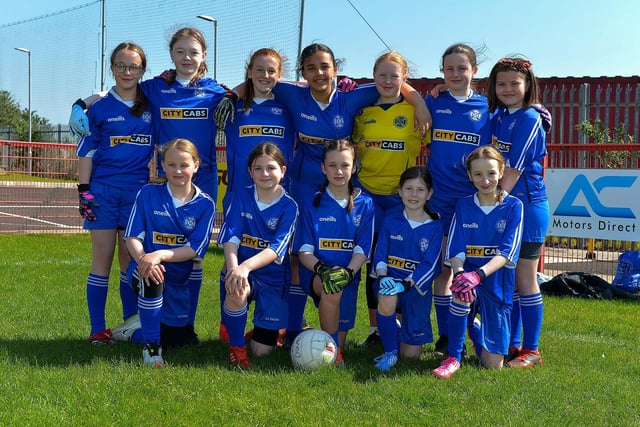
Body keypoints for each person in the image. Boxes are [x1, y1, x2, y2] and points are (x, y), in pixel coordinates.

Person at [215, 44, 430, 347]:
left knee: (342, 250)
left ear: (335, 70)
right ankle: (289, 329)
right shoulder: (291, 94)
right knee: (294, 256)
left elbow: (392, 81)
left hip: (341, 184)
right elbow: (260, 78)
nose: (319, 73)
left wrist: (418, 101)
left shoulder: (352, 98)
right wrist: (231, 95)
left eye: (324, 67)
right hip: (303, 186)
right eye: (312, 67)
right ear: (303, 72)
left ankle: (347, 330)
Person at [70, 27, 228, 343]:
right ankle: (120, 327)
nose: (187, 58)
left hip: (202, 183)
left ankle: (186, 326)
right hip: (158, 185)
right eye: (180, 51)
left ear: (204, 56)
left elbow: (252, 89)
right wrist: (79, 104)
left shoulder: (217, 91)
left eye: (193, 52)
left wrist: (235, 95)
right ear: (171, 55)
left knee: (193, 257)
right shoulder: (154, 90)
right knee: (132, 257)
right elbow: (112, 94)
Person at [76, 42, 154, 345]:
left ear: (142, 70)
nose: (127, 71)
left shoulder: (151, 104)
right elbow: (87, 151)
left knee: (130, 261)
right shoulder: (100, 107)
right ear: (112, 69)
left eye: (133, 66)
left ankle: (129, 325)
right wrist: (84, 192)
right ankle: (98, 329)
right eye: (120, 65)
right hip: (104, 191)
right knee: (102, 259)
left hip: (137, 194)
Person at [216, 48, 295, 346]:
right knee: (234, 257)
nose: (265, 76)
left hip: (277, 198)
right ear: (249, 71)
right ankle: (230, 323)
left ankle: (277, 323)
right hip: (241, 196)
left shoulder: (289, 106)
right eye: (259, 70)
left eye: (271, 71)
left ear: (280, 75)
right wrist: (230, 95)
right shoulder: (233, 105)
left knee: (279, 261)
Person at [424, 43, 493, 357]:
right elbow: (405, 95)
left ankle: (475, 331)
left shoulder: (487, 108)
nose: (455, 74)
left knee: (471, 269)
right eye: (448, 69)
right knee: (442, 270)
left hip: (471, 201)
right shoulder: (433, 102)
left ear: (474, 71)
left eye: (461, 68)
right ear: (442, 72)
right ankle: (445, 337)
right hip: (438, 199)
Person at [351, 51, 423, 348]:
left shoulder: (417, 111)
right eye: (382, 74)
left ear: (404, 79)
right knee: (373, 265)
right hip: (368, 196)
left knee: (402, 262)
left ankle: (404, 327)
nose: (388, 81)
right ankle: (377, 329)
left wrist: (419, 100)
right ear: (373, 76)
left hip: (401, 199)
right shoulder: (363, 113)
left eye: (395, 75)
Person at [432, 145, 523, 379]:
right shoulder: (463, 205)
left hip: (497, 282)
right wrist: (461, 273)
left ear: (501, 172)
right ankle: (453, 356)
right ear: (470, 176)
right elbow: (455, 246)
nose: (485, 180)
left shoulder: (514, 206)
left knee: (493, 365)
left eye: (491, 173)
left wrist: (478, 275)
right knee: (460, 292)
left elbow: (507, 252)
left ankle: (475, 329)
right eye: (478, 174)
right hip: (468, 276)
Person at [124, 138, 216, 368]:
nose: (178, 170)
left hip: (178, 278)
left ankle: (131, 330)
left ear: (196, 166)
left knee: (176, 341)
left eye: (184, 165)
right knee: (151, 278)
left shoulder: (205, 204)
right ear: (162, 166)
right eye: (172, 165)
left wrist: (160, 255)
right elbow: (132, 237)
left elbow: (195, 249)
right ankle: (151, 350)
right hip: (143, 268)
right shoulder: (148, 193)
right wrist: (145, 259)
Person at [486, 57, 549, 368]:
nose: (508, 89)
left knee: (525, 278)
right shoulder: (498, 118)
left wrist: (494, 203)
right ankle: (511, 344)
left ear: (528, 86)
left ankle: (532, 350)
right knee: (508, 278)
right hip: (506, 205)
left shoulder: (529, 119)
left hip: (527, 207)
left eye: (515, 83)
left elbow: (512, 169)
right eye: (501, 83)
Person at [292, 139, 375, 366]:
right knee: (332, 287)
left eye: (345, 165)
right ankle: (333, 353)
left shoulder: (366, 204)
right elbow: (304, 251)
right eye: (332, 165)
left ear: (354, 167)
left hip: (349, 274)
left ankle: (329, 345)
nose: (339, 171)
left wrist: (348, 272)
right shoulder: (311, 203)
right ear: (323, 168)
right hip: (316, 272)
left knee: (339, 335)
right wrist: (323, 270)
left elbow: (362, 249)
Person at [218, 142, 298, 368]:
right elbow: (231, 237)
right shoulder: (240, 196)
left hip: (273, 279)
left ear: (282, 171)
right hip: (243, 271)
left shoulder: (289, 206)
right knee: (236, 287)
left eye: (271, 168)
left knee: (262, 352)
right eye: (258, 168)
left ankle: (269, 331)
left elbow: (275, 249)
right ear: (250, 172)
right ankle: (237, 349)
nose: (265, 174)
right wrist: (235, 269)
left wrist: (245, 267)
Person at [372, 166, 443, 371]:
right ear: (400, 191)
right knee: (386, 295)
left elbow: (430, 265)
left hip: (416, 289)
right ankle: (389, 352)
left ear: (429, 193)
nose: (414, 194)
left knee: (410, 357)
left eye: (420, 190)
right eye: (408, 188)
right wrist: (384, 276)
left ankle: (396, 329)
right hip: (391, 282)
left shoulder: (435, 226)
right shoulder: (390, 220)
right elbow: (380, 254)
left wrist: (407, 283)